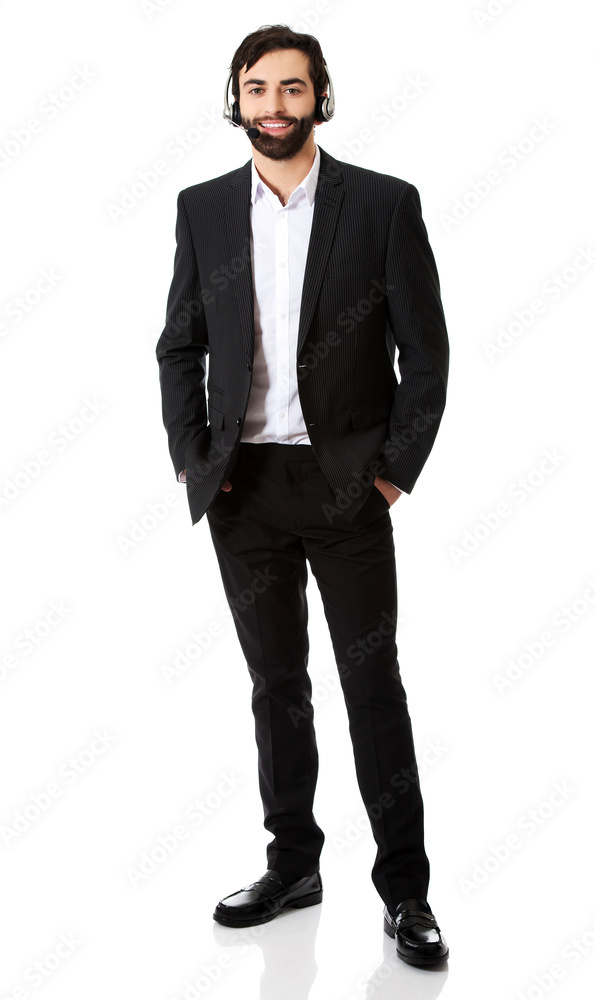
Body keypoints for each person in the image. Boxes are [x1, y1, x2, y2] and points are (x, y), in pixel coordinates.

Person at [156, 24, 450, 966]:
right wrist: (194, 458)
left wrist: (390, 473)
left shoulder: (382, 204)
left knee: (372, 684)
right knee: (275, 684)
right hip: (242, 488)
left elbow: (426, 354)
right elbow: (179, 345)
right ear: (235, 99)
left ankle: (405, 893)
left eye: (291, 88)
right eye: (257, 89)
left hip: (345, 487)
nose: (273, 106)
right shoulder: (203, 209)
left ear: (319, 96)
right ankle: (292, 867)